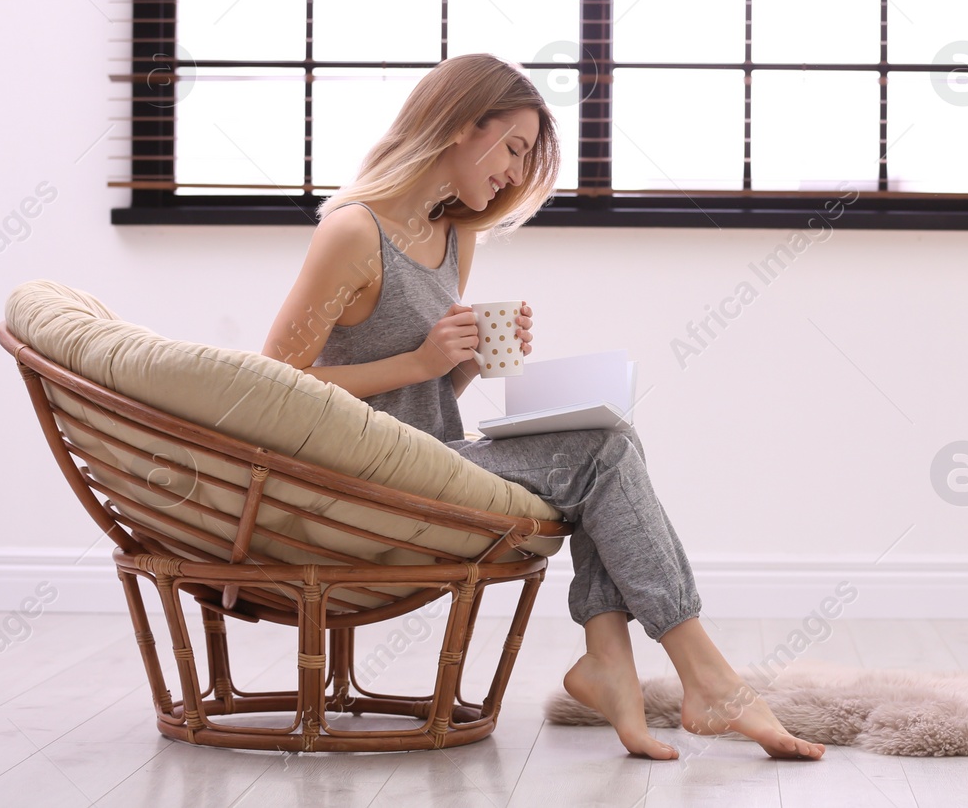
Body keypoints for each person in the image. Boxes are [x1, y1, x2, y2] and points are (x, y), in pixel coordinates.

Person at [260, 52, 824, 761]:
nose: (517, 175)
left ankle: (613, 662)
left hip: (432, 459)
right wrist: (420, 360)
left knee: (603, 441)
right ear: (462, 125)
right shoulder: (353, 231)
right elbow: (274, 386)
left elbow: (428, 399)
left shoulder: (456, 236)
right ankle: (699, 675)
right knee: (603, 450)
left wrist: (460, 364)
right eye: (516, 148)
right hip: (363, 480)